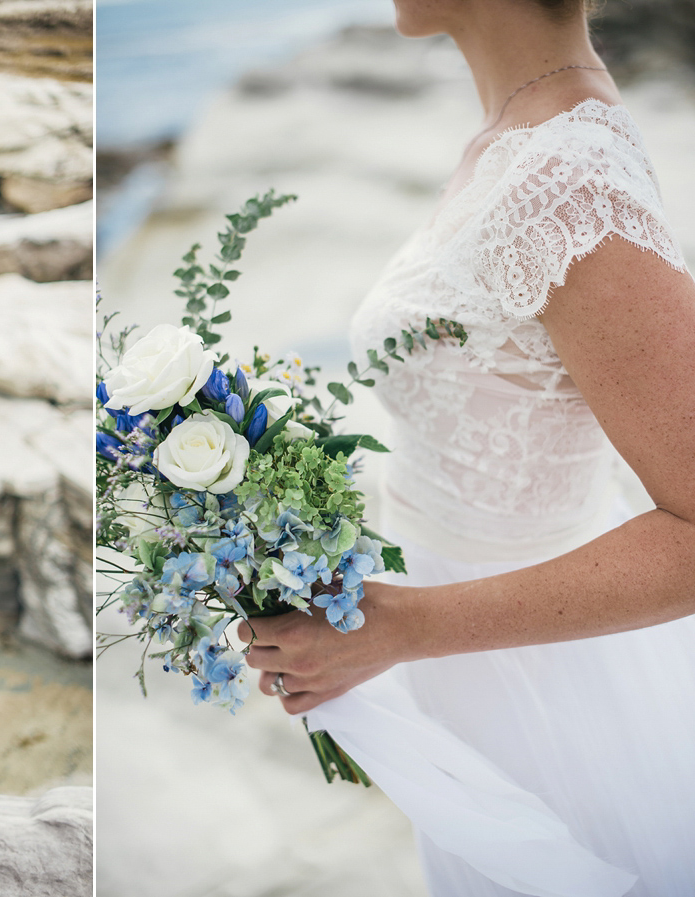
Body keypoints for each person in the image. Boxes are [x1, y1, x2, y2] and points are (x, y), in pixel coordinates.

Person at [241, 1, 695, 894]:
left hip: (543, 695)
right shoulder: (518, 137)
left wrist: (397, 628)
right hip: (468, 667)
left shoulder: (573, 187)